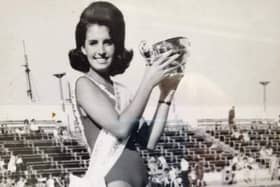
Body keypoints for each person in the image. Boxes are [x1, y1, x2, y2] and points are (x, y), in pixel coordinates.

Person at [68, 1, 185, 187]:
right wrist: (148, 80)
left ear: (117, 45)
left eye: (108, 42)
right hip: (113, 181)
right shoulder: (84, 84)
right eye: (93, 43)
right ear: (83, 48)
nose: (101, 51)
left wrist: (166, 94)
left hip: (141, 180)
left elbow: (149, 141)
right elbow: (121, 128)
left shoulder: (122, 90)